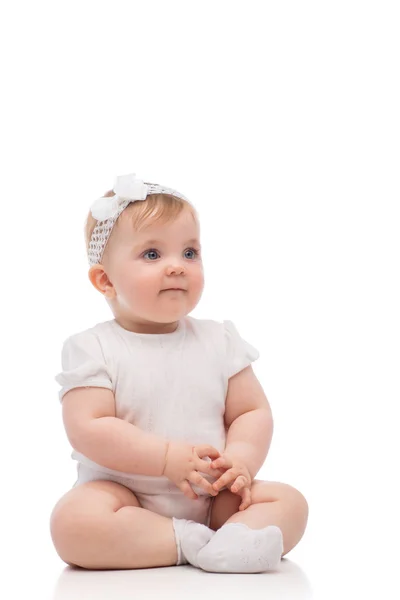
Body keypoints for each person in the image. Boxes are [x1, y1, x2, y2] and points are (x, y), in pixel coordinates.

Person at [49, 173, 309, 573]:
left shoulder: (219, 340)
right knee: (73, 522)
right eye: (152, 255)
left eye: (190, 253)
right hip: (125, 498)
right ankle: (189, 543)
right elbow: (89, 426)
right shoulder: (93, 347)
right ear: (105, 280)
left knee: (290, 504)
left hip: (212, 494)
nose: (177, 267)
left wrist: (240, 460)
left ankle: (228, 537)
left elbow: (250, 413)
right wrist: (166, 458)